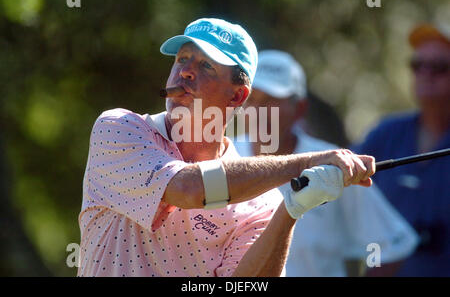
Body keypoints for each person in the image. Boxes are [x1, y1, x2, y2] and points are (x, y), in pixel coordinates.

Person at [78, 18, 376, 277]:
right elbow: (190, 188)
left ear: (237, 96)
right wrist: (303, 164)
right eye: (182, 59)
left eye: (206, 65)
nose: (185, 72)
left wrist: (289, 211)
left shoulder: (259, 205)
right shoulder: (119, 129)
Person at [233, 50, 418, 277]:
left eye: (271, 100)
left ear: (299, 109)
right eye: (251, 99)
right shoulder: (224, 156)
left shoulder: (334, 164)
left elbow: (389, 244)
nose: (258, 110)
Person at [352, 23, 450, 276]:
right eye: (418, 65)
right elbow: (341, 179)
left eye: (439, 67)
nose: (425, 74)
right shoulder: (387, 134)